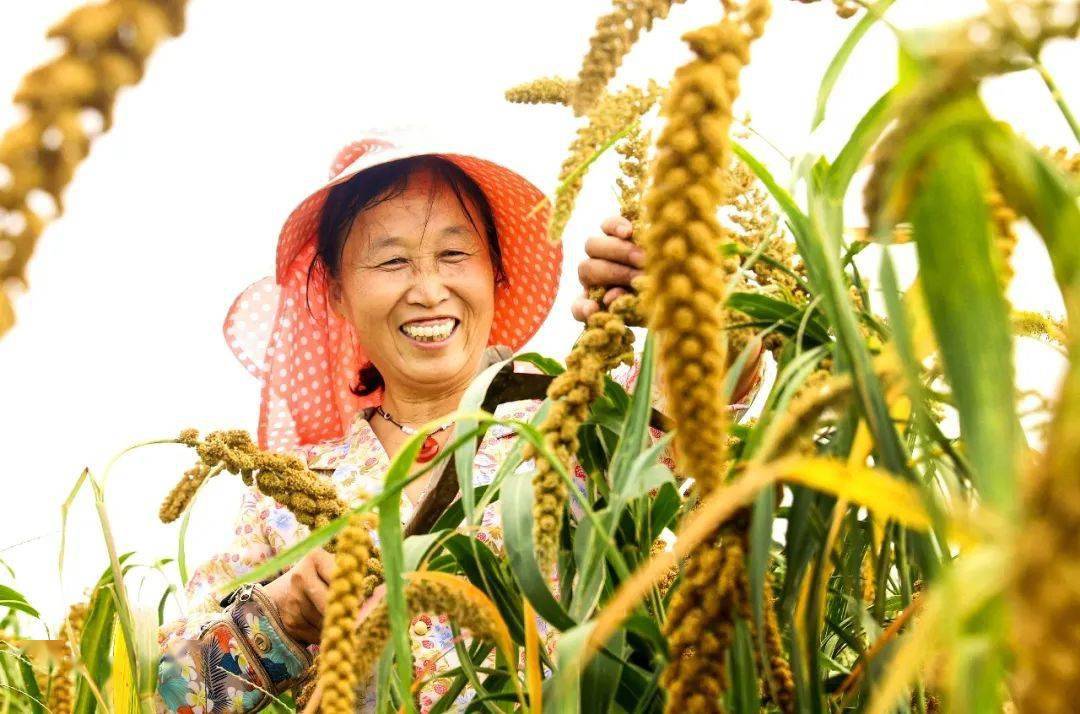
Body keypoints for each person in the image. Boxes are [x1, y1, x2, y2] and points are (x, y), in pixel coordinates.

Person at [155, 133, 763, 713]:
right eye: (390, 261)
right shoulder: (290, 498)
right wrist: (284, 611)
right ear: (337, 294)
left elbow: (720, 371)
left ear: (495, 275)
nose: (427, 289)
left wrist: (687, 296)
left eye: (454, 253)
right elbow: (164, 695)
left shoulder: (576, 421)